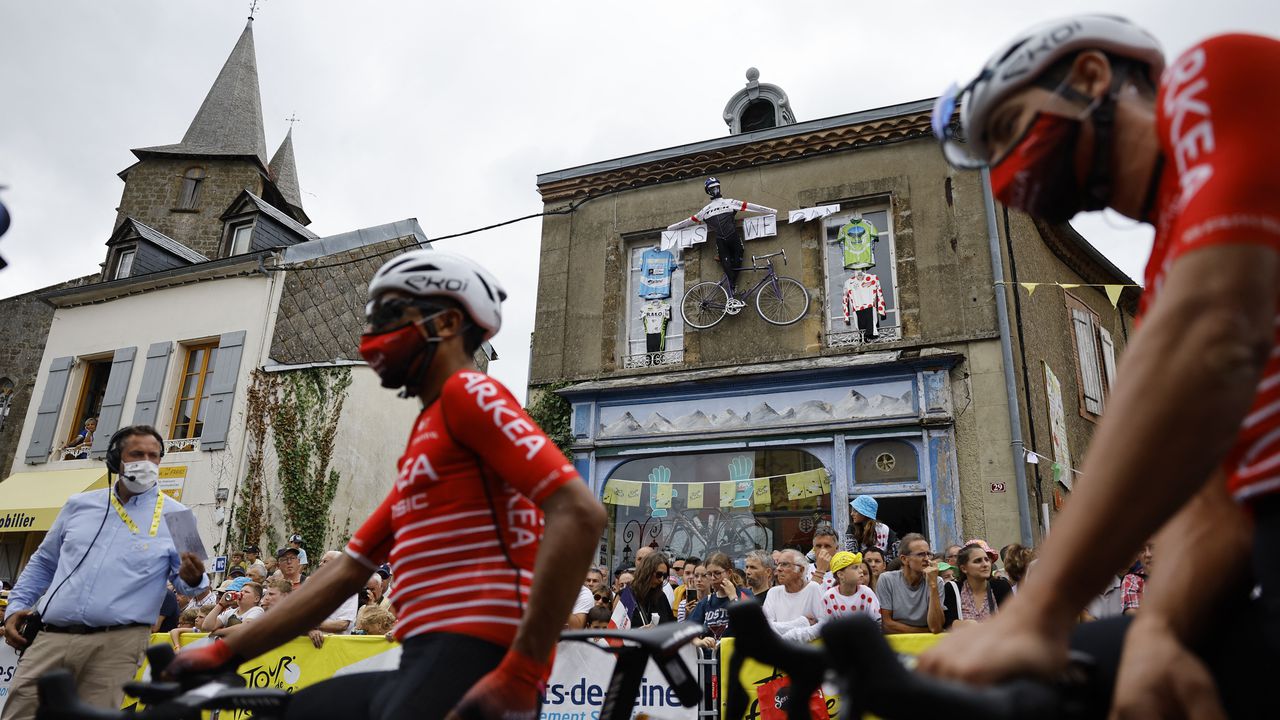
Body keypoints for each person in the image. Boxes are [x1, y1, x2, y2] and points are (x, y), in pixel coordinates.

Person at [921, 16, 1280, 717]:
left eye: (1015, 126)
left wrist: (1039, 610)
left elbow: (1213, 331)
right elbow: (1209, 501)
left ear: (1090, 76)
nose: (1007, 172)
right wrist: (1160, 628)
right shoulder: (1164, 278)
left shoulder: (1208, 78)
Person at [167, 251, 606, 720]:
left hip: (473, 649)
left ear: (449, 322)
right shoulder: (430, 436)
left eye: (392, 315)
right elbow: (348, 570)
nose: (373, 334)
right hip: (432, 650)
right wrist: (225, 654)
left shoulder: (469, 393)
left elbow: (580, 512)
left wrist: (524, 671)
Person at [1, 425, 208, 720]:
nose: (146, 462)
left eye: (154, 456)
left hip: (118, 644)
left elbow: (194, 586)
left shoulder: (180, 516)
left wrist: (194, 577)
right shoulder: (78, 505)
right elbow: (43, 563)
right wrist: (16, 606)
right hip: (51, 636)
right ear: (115, 459)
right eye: (137, 454)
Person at [793, 551, 881, 642]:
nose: (861, 571)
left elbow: (877, 622)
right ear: (840, 575)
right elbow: (825, 626)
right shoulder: (829, 597)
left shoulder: (867, 592)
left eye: (859, 567)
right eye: (855, 567)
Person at [876, 534, 943, 634]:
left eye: (928, 554)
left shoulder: (937, 581)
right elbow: (887, 624)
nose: (927, 559)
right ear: (904, 559)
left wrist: (933, 585)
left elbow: (936, 627)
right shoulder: (887, 580)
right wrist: (924, 631)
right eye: (920, 554)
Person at [942, 543, 1013, 630]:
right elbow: (948, 623)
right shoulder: (953, 588)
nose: (985, 564)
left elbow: (1012, 620)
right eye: (977, 561)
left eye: (986, 560)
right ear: (964, 568)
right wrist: (962, 624)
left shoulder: (1001, 586)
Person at [689, 552, 752, 648]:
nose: (713, 578)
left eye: (717, 573)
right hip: (710, 659)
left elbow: (749, 625)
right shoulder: (706, 602)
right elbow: (687, 630)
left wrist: (733, 598)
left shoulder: (745, 594)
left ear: (729, 573)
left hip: (735, 656)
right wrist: (699, 641)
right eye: (709, 574)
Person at [761, 549, 823, 636]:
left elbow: (823, 626)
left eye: (785, 564)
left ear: (801, 570)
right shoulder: (773, 592)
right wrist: (802, 623)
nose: (778, 569)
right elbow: (763, 628)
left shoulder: (813, 588)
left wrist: (790, 637)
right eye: (778, 564)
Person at [618, 551, 675, 628]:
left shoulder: (661, 597)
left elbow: (670, 627)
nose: (661, 579)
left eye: (664, 576)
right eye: (659, 574)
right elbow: (614, 631)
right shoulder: (626, 595)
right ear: (647, 572)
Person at [1121, 543, 1154, 616]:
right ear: (1138, 557)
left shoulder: (1176, 574)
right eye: (1142, 550)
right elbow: (1132, 616)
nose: (1148, 554)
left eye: (1153, 548)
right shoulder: (1132, 579)